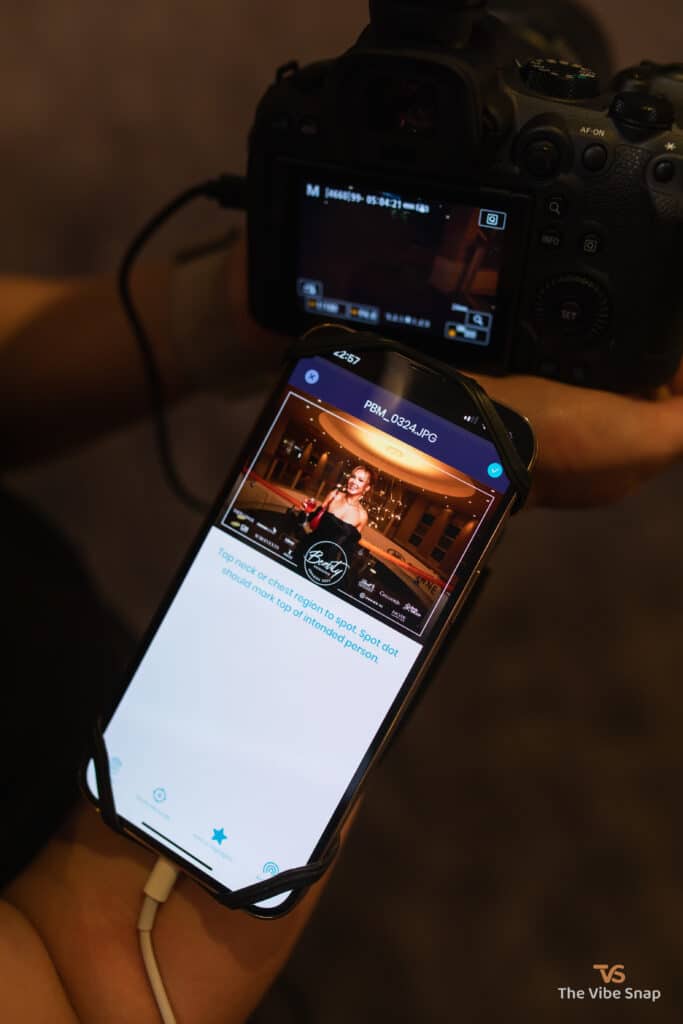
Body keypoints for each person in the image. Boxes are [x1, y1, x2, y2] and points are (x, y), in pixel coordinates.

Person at [2, 232, 683, 1021]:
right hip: (87, 862)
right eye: (354, 475)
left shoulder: (358, 508)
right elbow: (70, 979)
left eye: (359, 478)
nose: (356, 480)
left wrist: (217, 308)